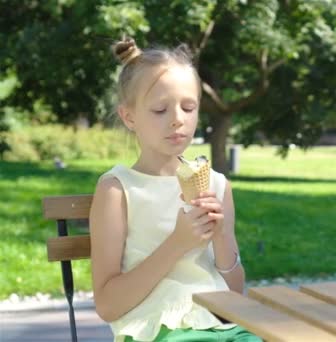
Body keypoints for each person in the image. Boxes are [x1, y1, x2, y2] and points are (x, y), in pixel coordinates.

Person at [89, 37, 261, 342]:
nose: (177, 120)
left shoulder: (217, 185)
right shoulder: (118, 190)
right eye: (160, 110)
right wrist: (177, 244)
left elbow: (234, 291)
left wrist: (220, 236)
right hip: (155, 329)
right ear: (129, 117)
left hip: (221, 324)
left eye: (188, 107)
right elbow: (108, 305)